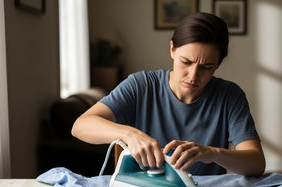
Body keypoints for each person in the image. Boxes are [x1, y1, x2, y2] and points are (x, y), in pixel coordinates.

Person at [72, 12, 265, 176]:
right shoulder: (141, 85)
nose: (193, 76)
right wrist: (130, 134)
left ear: (218, 64)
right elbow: (80, 126)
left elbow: (256, 164)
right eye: (186, 62)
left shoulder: (229, 95)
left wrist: (213, 153)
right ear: (172, 49)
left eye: (206, 67)